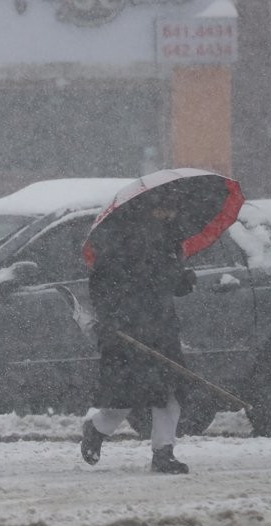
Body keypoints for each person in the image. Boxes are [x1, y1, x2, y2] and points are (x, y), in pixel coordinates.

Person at [80, 193, 197, 474]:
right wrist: (113, 320)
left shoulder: (168, 240)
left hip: (161, 328)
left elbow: (164, 284)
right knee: (125, 396)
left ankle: (163, 453)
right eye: (165, 209)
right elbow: (106, 284)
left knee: (169, 392)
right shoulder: (124, 241)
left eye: (172, 210)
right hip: (128, 330)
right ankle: (95, 430)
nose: (170, 215)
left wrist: (183, 281)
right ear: (152, 210)